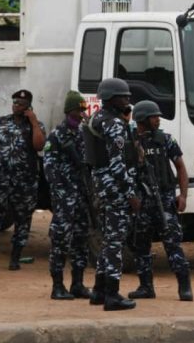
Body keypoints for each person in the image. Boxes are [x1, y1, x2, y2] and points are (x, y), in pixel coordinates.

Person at [82, 78, 140, 311]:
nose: (127, 100)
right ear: (111, 98)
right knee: (115, 242)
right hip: (115, 188)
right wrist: (131, 194)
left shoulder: (96, 118)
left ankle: (98, 291)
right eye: (123, 96)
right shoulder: (114, 123)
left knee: (108, 240)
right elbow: (117, 164)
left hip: (100, 184)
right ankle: (112, 295)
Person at [127, 100, 193, 301]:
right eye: (153, 116)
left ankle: (184, 287)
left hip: (163, 199)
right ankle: (146, 287)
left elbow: (180, 167)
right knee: (141, 246)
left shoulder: (166, 140)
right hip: (142, 202)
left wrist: (183, 195)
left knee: (172, 244)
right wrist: (132, 197)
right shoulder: (131, 142)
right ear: (142, 119)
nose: (158, 119)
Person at [0, 89, 45, 271]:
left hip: (24, 182)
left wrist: (33, 121)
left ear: (28, 107)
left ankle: (15, 258)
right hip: (0, 180)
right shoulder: (0, 122)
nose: (17, 106)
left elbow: (39, 145)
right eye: (15, 103)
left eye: (21, 104)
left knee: (23, 220)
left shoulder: (36, 125)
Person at [43, 91, 92, 300]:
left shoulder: (83, 133)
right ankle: (57, 286)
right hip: (65, 196)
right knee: (61, 240)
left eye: (83, 110)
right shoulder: (57, 135)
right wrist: (62, 192)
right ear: (68, 111)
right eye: (77, 110)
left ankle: (78, 284)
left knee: (82, 239)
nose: (81, 114)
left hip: (81, 195)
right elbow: (49, 168)